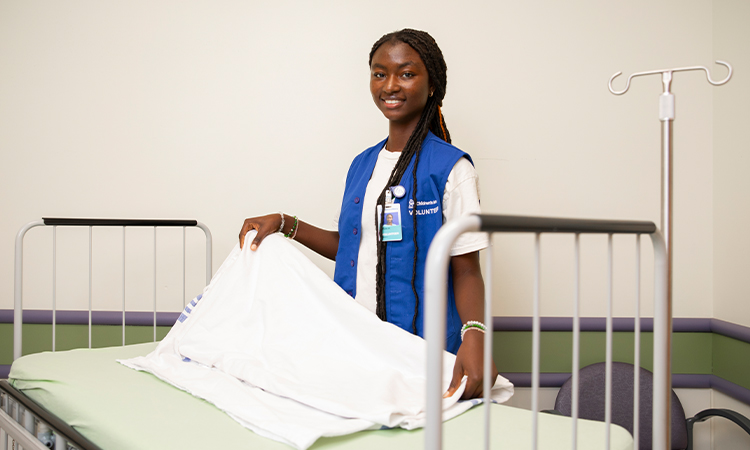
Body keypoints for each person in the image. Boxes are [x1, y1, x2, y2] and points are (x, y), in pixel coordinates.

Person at [239, 29, 497, 400]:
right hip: (356, 343)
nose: (390, 85)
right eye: (380, 73)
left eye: (406, 73)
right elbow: (350, 249)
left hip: (420, 348)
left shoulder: (450, 169)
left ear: (433, 85)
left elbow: (467, 269)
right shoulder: (362, 165)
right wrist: (283, 223)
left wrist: (475, 335)